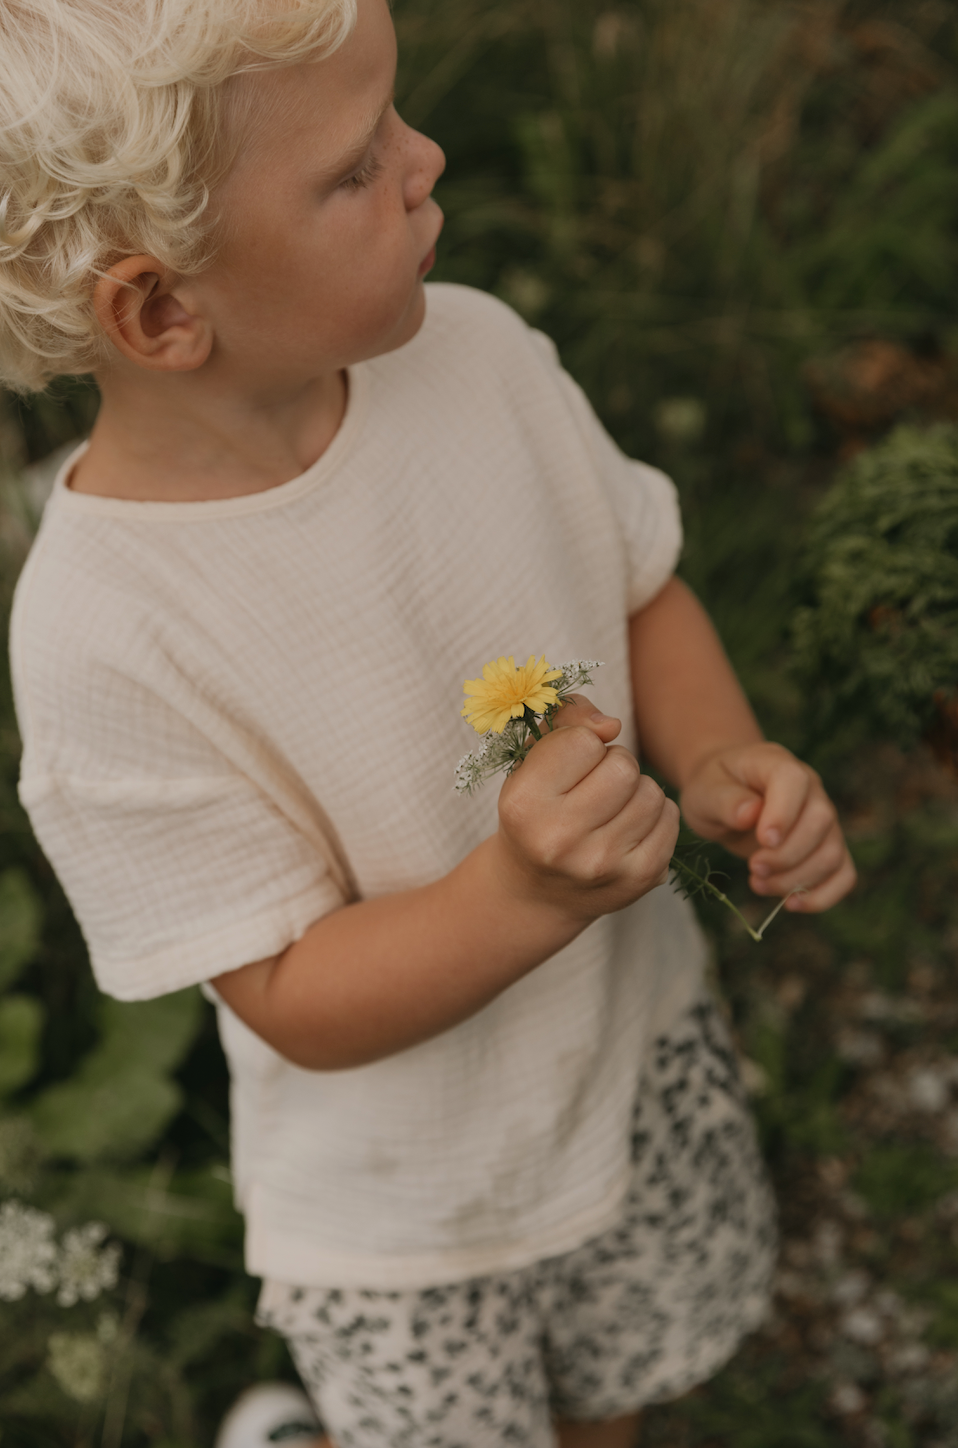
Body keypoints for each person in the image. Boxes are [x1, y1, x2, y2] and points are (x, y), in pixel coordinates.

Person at [3, 1, 856, 1444]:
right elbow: (283, 990)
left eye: (393, 118)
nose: (425, 158)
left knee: (617, 1392)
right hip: (410, 1209)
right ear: (158, 311)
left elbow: (636, 586)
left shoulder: (477, 355)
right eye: (352, 169)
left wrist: (715, 758)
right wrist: (515, 892)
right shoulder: (109, 636)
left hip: (624, 1051)